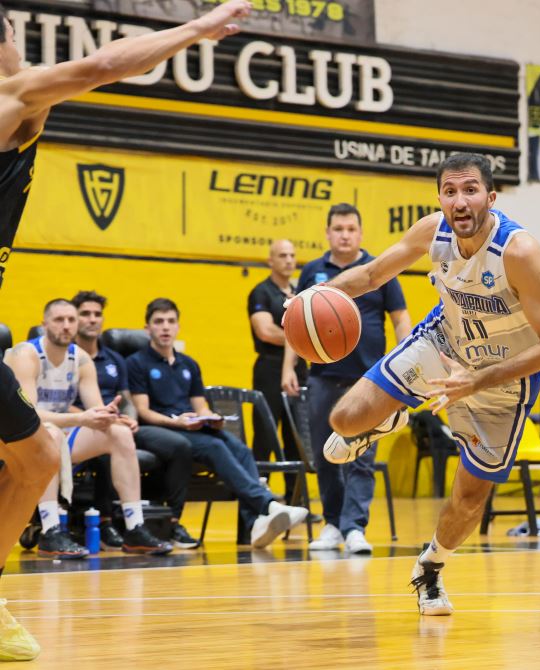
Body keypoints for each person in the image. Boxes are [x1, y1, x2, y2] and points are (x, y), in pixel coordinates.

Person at [0, 1, 252, 659]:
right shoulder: (10, 95)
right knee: (35, 457)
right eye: (15, 34)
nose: (22, 48)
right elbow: (102, 65)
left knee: (37, 457)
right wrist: (197, 29)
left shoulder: (21, 106)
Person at [313, 152, 540, 615]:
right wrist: (315, 296)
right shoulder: (434, 231)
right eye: (450, 191)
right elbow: (370, 275)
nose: (459, 200)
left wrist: (477, 381)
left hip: (504, 380)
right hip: (445, 342)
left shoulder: (519, 252)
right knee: (345, 420)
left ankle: (430, 567)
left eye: (470, 190)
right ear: (439, 199)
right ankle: (386, 420)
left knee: (469, 499)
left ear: (491, 198)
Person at [282, 204, 411, 555]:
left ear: (360, 233)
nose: (344, 235)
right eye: (338, 229)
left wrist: (405, 358)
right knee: (325, 456)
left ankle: (355, 528)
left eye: (351, 229)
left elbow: (400, 318)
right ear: (327, 233)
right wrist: (288, 367)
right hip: (322, 377)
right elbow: (295, 325)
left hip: (370, 380)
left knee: (362, 458)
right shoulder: (313, 271)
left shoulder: (379, 270)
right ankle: (333, 524)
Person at [128, 298, 308, 548]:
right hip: (163, 428)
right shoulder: (136, 363)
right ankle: (267, 505)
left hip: (192, 427)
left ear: (178, 326)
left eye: (171, 321)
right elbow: (143, 411)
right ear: (147, 328)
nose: (165, 327)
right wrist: (178, 422)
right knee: (215, 447)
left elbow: (200, 405)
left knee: (242, 450)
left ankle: (254, 523)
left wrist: (210, 418)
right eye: (159, 322)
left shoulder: (188, 364)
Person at [5, 299, 173, 558]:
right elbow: (29, 416)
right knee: (50, 434)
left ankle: (135, 528)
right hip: (20, 439)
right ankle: (51, 532)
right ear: (44, 324)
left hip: (61, 432)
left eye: (71, 320)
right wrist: (83, 419)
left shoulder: (81, 358)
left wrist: (111, 417)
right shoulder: (25, 355)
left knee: (118, 434)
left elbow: (94, 410)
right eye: (59, 320)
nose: (66, 326)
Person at [72, 291, 198, 549]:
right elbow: (61, 402)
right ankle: (105, 521)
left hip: (116, 422)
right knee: (109, 443)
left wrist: (129, 418)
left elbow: (127, 400)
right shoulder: (67, 358)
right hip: (81, 424)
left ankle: (161, 522)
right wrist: (98, 418)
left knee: (175, 445)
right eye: (85, 314)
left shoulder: (115, 359)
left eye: (97, 314)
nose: (92, 319)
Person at [248, 239, 305, 495]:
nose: (289, 260)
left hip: (299, 367)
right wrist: (301, 336)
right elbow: (266, 331)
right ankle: (260, 499)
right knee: (265, 435)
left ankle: (295, 502)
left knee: (297, 438)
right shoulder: (261, 292)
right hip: (269, 369)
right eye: (282, 255)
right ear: (270, 260)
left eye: (292, 255)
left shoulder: (300, 292)